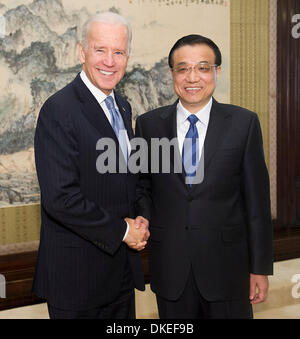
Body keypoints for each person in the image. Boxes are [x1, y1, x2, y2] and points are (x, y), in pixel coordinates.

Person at [135, 34, 273, 319]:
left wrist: (259, 267)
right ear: (172, 74)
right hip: (171, 269)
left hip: (228, 270)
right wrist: (143, 217)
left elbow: (257, 202)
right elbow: (143, 187)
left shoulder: (243, 123)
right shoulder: (149, 125)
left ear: (216, 72)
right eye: (183, 68)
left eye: (203, 67)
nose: (192, 77)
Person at [33, 12, 149, 319]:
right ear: (82, 51)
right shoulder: (59, 110)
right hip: (78, 282)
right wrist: (124, 231)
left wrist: (141, 220)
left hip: (120, 277)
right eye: (100, 50)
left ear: (128, 56)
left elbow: (130, 179)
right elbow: (61, 198)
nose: (109, 61)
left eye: (118, 52)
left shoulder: (122, 107)